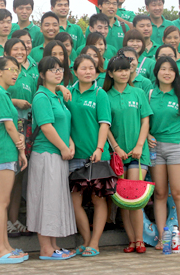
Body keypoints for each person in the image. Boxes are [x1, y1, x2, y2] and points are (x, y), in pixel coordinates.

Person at [27, 56, 77, 260]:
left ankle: (54, 245)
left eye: (60, 69)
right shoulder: (41, 97)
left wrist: (70, 143)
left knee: (54, 200)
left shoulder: (56, 96)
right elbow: (47, 127)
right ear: (41, 74)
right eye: (52, 69)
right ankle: (46, 249)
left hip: (59, 154)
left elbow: (63, 124)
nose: (58, 72)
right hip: (46, 154)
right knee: (45, 201)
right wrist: (64, 147)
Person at [103, 55, 152, 254]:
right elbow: (105, 125)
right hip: (117, 155)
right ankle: (131, 240)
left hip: (138, 154)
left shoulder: (138, 93)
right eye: (119, 70)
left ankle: (140, 240)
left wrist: (139, 145)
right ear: (110, 73)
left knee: (135, 197)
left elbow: (145, 121)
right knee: (124, 198)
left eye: (126, 69)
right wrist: (116, 148)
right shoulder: (105, 96)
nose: (124, 73)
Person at [147, 56, 180, 250]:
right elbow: (144, 120)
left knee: (178, 193)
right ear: (156, 72)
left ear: (176, 73)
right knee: (159, 193)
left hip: (177, 146)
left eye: (171, 69)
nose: (167, 73)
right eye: (163, 69)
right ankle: (163, 237)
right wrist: (148, 135)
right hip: (155, 148)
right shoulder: (150, 94)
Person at [66, 54, 112, 257]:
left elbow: (104, 124)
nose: (88, 71)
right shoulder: (68, 93)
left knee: (98, 200)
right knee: (74, 202)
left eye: (91, 68)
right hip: (75, 156)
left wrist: (99, 148)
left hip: (97, 156)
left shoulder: (100, 94)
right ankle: (85, 240)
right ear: (75, 71)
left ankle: (95, 242)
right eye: (83, 68)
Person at [0, 56, 28, 264]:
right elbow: (10, 126)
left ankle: (5, 246)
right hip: (2, 151)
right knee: (1, 203)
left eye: (17, 70)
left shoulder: (3, 93)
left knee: (3, 202)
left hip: (7, 151)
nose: (15, 73)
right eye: (11, 69)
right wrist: (21, 148)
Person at [4, 39, 37, 238]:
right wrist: (15, 101)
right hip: (8, 128)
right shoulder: (3, 71)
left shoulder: (28, 74)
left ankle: (14, 218)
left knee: (19, 177)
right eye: (15, 48)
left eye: (22, 49)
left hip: (26, 128)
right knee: (8, 175)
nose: (20, 51)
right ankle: (4, 221)